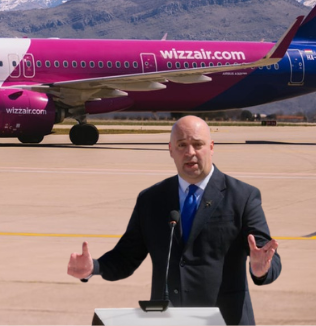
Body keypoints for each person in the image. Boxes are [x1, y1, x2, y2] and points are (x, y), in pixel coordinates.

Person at [67, 115, 280, 325]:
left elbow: (267, 254)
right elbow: (125, 257)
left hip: (225, 320)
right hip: (167, 319)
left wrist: (261, 270)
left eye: (198, 144)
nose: (190, 152)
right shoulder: (151, 199)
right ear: (170, 150)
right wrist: (93, 267)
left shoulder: (242, 197)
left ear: (211, 147)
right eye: (181, 145)